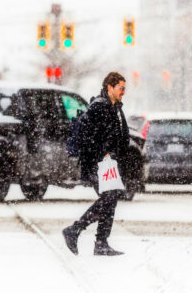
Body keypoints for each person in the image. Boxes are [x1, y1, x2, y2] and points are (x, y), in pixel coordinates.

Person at [62, 72, 128, 256]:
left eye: (124, 88)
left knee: (111, 199)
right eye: (121, 88)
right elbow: (87, 135)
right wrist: (102, 152)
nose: (123, 92)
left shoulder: (113, 106)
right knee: (109, 198)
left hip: (107, 162)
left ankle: (101, 243)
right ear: (110, 87)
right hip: (97, 163)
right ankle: (75, 230)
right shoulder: (100, 106)